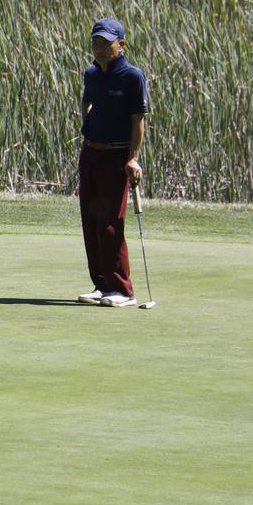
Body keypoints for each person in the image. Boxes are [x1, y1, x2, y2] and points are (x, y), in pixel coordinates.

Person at [76, 17, 149, 307]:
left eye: (105, 43)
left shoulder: (132, 76)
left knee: (110, 223)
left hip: (116, 156)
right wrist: (90, 127)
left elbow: (138, 122)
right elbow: (87, 103)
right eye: (95, 42)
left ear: (121, 44)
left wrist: (132, 158)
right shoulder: (91, 74)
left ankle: (123, 290)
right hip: (91, 153)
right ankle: (102, 283)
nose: (99, 48)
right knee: (91, 220)